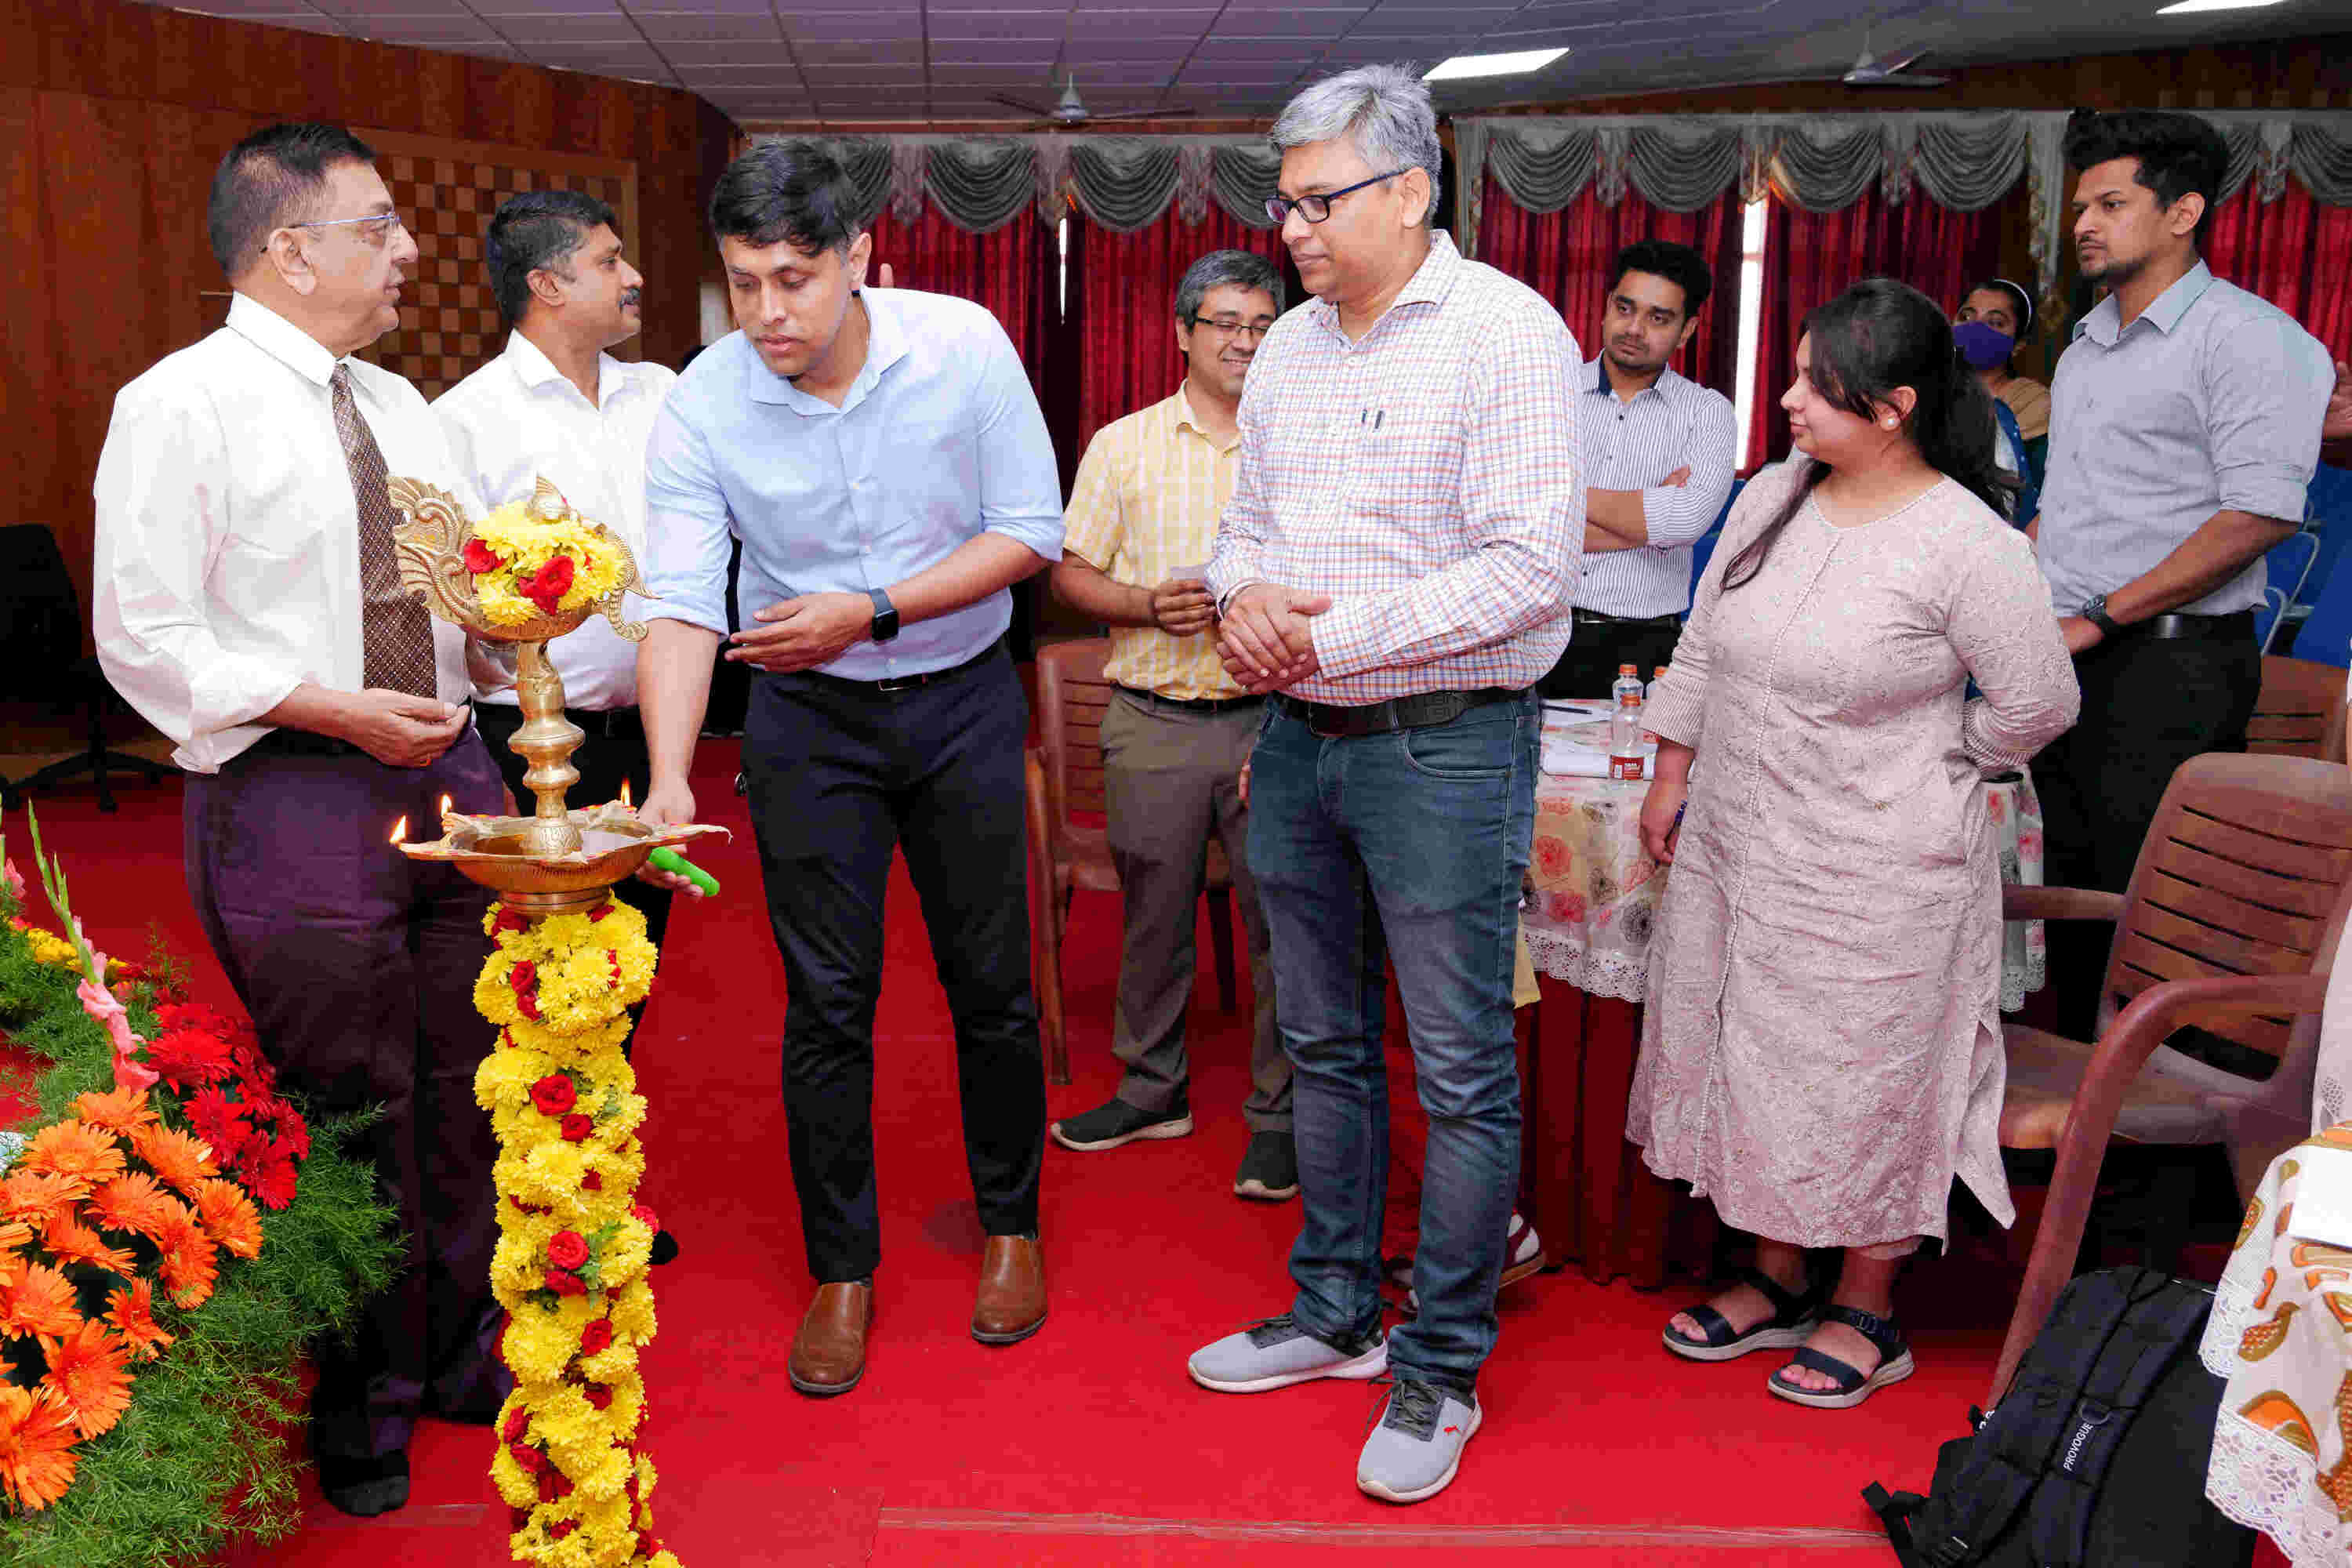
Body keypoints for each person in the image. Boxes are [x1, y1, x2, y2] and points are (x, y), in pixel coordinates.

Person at [92, 122, 507, 1517]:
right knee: (348, 1100)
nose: (408, 250)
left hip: (450, 770)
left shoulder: (401, 404)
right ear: (289, 248)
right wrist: (329, 706)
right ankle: (362, 1398)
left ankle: (462, 1349)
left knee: (471, 1076)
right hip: (293, 785)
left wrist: (503, 632)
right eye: (379, 225)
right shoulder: (179, 405)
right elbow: (143, 633)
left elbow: (452, 585)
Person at [1181, 64, 1580, 1505]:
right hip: (1298, 739)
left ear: (1411, 192)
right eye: (1283, 201)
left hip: (1447, 742)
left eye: (1318, 200)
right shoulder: (1290, 347)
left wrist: (1324, 634)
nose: (1289, 228)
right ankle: (1336, 1311)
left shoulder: (1507, 334)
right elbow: (1245, 528)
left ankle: (1442, 1364)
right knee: (1322, 1041)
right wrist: (1243, 599)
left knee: (1460, 1068)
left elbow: (1530, 570)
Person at [633, 140, 1062, 1399]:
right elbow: (679, 599)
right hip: (808, 724)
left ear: (859, 257)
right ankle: (842, 1269)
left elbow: (1028, 531)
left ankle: (1012, 1227)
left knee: (991, 985)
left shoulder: (963, 346)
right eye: (743, 283)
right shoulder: (704, 401)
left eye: (795, 279)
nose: (768, 312)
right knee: (827, 1003)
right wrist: (669, 777)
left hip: (962, 700)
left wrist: (870, 609)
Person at [1631, 278, 2078, 1411]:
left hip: (1880, 864)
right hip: (1741, 841)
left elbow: (2039, 701)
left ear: (1893, 408)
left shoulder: (1968, 543)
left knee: (1863, 1076)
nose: (1787, 401)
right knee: (1756, 1057)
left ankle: (1867, 1305)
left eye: (1813, 386)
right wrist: (1674, 768)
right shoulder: (1775, 494)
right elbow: (1703, 642)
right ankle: (1778, 1275)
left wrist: (1946, 753)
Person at [2033, 110, 2332, 1040]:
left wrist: (2099, 616)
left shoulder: (2248, 337)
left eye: (2111, 203)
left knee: (2149, 920)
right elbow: (2071, 508)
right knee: (2065, 901)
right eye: (2081, 206)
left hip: (2169, 665)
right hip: (2068, 653)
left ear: (2184, 211)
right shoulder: (2085, 347)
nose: (2085, 223)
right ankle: (2072, 1105)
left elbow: (2260, 513)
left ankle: (2160, 1119)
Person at [1046, 249, 1298, 1200]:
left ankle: (1281, 1119)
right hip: (1153, 718)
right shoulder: (1124, 445)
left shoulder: (1303, 441)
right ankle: (1152, 1090)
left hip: (1281, 723)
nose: (1244, 341)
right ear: (1184, 332)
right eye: (1225, 323)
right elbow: (1070, 573)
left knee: (1287, 928)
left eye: (1262, 325)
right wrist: (1146, 604)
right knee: (1154, 921)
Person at [1538, 239, 1737, 699]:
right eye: (1624, 308)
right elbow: (1505, 516)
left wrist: (1555, 499)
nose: (1634, 328)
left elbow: (1687, 520)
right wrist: (1651, 518)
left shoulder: (1707, 413)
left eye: (1658, 318)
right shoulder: (1548, 393)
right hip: (1537, 632)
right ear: (1607, 306)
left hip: (1645, 645)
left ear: (1687, 331)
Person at [1953, 278, 2044, 523]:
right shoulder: (1929, 393)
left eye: (1994, 322)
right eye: (1966, 317)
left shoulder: (2034, 405)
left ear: (2019, 345)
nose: (1975, 327)